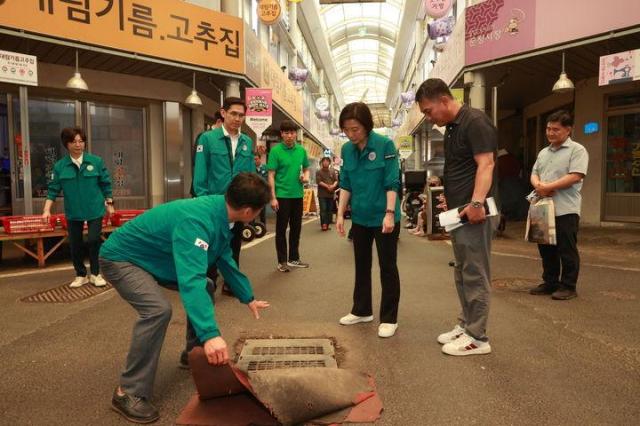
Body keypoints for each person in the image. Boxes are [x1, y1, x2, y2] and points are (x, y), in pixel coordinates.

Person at [99, 173, 271, 424]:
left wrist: (248, 296)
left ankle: (194, 354)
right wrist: (211, 334)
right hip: (121, 258)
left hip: (154, 257)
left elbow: (224, 258)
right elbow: (190, 280)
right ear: (248, 211)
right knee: (157, 310)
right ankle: (128, 391)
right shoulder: (197, 221)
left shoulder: (221, 212)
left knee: (208, 285)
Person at [416, 78, 497, 356]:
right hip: (459, 212)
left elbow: (486, 164)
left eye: (428, 110)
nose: (428, 117)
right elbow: (460, 169)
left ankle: (478, 337)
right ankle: (466, 324)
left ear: (443, 100)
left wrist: (476, 203)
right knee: (462, 271)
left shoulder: (475, 121)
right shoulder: (452, 127)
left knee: (475, 272)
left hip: (474, 211)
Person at [336, 102, 401, 338]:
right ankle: (362, 310)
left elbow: (392, 181)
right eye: (346, 129)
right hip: (361, 217)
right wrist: (341, 214)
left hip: (384, 216)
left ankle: (389, 318)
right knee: (361, 265)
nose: (351, 134)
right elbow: (345, 183)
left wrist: (390, 213)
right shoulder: (346, 149)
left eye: (355, 129)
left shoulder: (385, 145)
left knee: (387, 267)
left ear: (366, 126)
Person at [528, 110, 588, 300]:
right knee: (546, 248)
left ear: (568, 130)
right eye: (548, 129)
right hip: (542, 207)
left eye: (556, 129)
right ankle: (550, 282)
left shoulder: (577, 150)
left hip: (565, 208)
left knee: (566, 248)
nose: (550, 133)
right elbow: (534, 173)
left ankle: (569, 286)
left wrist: (548, 187)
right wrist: (538, 185)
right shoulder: (543, 152)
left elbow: (576, 175)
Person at [43, 127, 113, 288]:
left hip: (95, 209)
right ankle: (80, 274)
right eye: (73, 141)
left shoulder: (96, 161)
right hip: (73, 212)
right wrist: (46, 210)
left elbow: (106, 184)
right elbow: (53, 189)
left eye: (81, 141)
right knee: (75, 244)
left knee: (94, 240)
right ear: (66, 144)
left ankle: (96, 274)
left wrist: (110, 205)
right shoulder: (60, 166)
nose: (78, 145)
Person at [267, 120, 310, 272]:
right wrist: (273, 197)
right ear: (282, 134)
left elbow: (306, 169)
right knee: (281, 229)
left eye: (292, 133)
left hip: (297, 195)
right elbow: (271, 175)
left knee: (296, 228)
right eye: (286, 133)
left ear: (295, 134)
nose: (290, 136)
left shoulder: (301, 151)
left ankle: (293, 258)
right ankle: (282, 261)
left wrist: (306, 177)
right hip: (282, 196)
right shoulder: (275, 151)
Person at [316, 156, 338, 231]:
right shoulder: (319, 171)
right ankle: (324, 224)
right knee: (323, 209)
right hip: (322, 194)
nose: (325, 162)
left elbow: (336, 180)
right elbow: (319, 182)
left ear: (329, 163)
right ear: (321, 163)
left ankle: (327, 224)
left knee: (329, 210)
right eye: (324, 161)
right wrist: (327, 186)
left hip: (330, 194)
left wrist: (333, 186)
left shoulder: (332, 171)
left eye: (327, 161)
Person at [255, 153, 268, 227]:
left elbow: (266, 180)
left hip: (262, 193)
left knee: (262, 211)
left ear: (260, 159)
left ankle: (263, 227)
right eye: (253, 159)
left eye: (256, 159)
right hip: (253, 193)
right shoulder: (251, 169)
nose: (255, 161)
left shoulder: (266, 168)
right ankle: (252, 227)